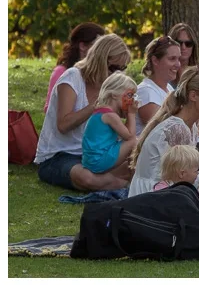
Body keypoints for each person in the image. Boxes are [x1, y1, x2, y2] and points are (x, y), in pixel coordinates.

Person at [35, 34, 134, 191]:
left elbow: (126, 134)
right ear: (100, 59)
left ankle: (115, 182)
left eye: (122, 69)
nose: (117, 75)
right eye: (114, 68)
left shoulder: (111, 87)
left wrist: (130, 111)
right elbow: (63, 124)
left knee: (138, 159)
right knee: (86, 178)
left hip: (96, 155)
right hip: (59, 156)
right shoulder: (72, 77)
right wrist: (95, 106)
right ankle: (124, 185)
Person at [128, 67, 199, 197]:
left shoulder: (191, 127)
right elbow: (185, 181)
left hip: (164, 195)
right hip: (152, 199)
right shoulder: (177, 129)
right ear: (193, 95)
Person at [81, 72, 139, 174]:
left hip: (91, 161)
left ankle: (130, 177)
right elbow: (130, 136)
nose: (131, 100)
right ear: (114, 95)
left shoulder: (102, 111)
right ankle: (133, 179)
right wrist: (131, 114)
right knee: (134, 142)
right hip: (98, 161)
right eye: (129, 95)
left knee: (132, 143)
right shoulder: (110, 116)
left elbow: (125, 133)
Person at [43, 22, 105, 112]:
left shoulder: (100, 72)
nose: (102, 50)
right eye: (98, 46)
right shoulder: (61, 72)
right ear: (83, 46)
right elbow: (50, 109)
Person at [135, 36, 182, 136]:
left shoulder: (168, 88)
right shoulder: (146, 92)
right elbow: (163, 130)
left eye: (179, 59)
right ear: (155, 60)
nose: (178, 64)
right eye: (172, 59)